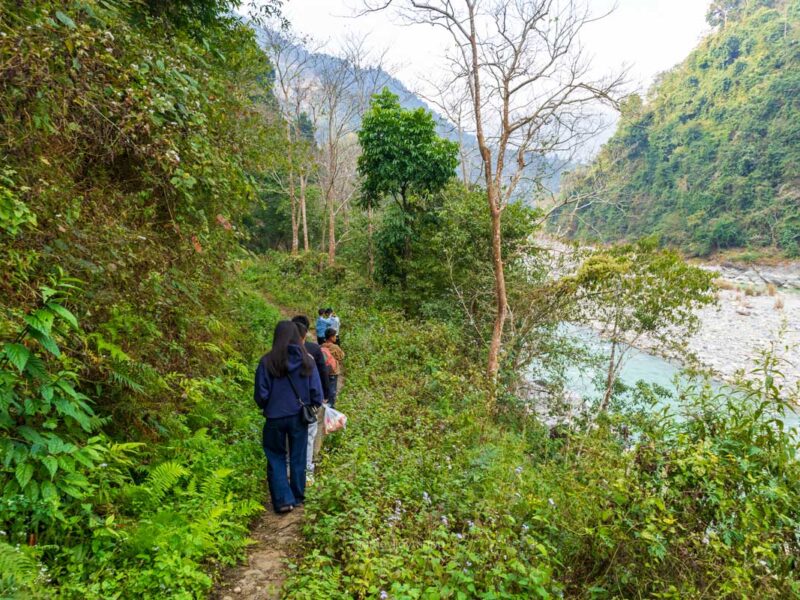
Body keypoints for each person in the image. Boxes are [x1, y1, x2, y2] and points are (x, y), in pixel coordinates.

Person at [254, 321, 323, 514]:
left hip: (274, 418)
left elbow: (261, 394)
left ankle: (283, 500)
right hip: (298, 417)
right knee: (298, 456)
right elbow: (316, 392)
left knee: (276, 456)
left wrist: (269, 405)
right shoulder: (307, 360)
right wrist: (311, 404)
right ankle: (298, 496)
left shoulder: (267, 361)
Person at [291, 315, 330, 479]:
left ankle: (291, 469)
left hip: (289, 403)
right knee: (311, 434)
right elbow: (323, 373)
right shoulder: (314, 350)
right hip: (310, 400)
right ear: (306, 332)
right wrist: (325, 395)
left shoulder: (281, 351)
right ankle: (309, 467)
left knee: (290, 438)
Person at [321, 327, 344, 408]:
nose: (335, 337)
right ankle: (331, 407)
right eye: (334, 336)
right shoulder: (335, 347)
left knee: (325, 388)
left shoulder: (322, 346)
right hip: (333, 371)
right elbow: (341, 356)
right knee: (332, 390)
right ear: (331, 337)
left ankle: (325, 404)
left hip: (324, 371)